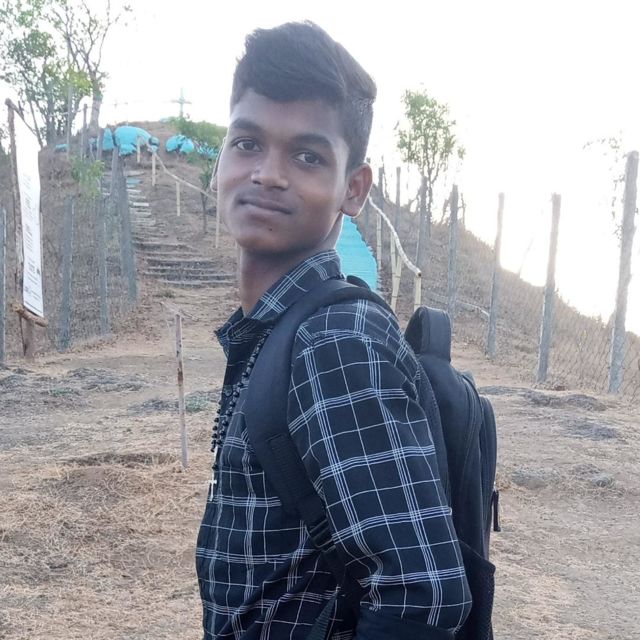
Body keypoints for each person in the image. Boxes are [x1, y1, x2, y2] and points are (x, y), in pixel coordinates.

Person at [196, 21, 471, 640]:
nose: (268, 174)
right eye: (247, 143)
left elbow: (421, 595)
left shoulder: (334, 338)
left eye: (307, 156)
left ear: (354, 189)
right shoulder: (279, 330)